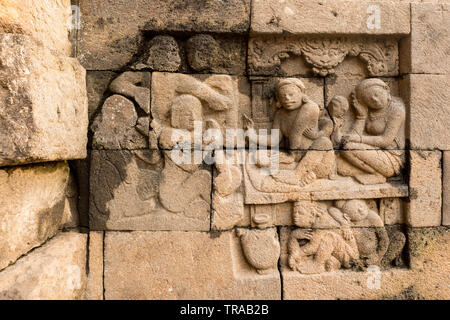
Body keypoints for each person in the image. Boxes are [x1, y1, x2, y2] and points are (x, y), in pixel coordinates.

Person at [244, 78, 334, 187]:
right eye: (283, 96)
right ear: (279, 99)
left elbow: (296, 132)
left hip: (317, 161)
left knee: (324, 142)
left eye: (291, 94)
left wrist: (291, 156)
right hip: (294, 159)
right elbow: (274, 140)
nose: (287, 98)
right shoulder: (280, 114)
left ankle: (297, 175)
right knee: (258, 156)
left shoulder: (310, 107)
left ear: (302, 94)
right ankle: (302, 173)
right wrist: (252, 135)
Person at [338, 79, 405, 185]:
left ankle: (378, 175)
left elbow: (385, 140)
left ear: (386, 89)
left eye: (376, 94)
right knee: (344, 152)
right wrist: (361, 116)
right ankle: (374, 173)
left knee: (348, 148)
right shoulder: (370, 112)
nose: (374, 99)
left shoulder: (397, 109)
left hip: (393, 159)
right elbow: (353, 137)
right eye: (369, 99)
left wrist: (358, 139)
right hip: (373, 154)